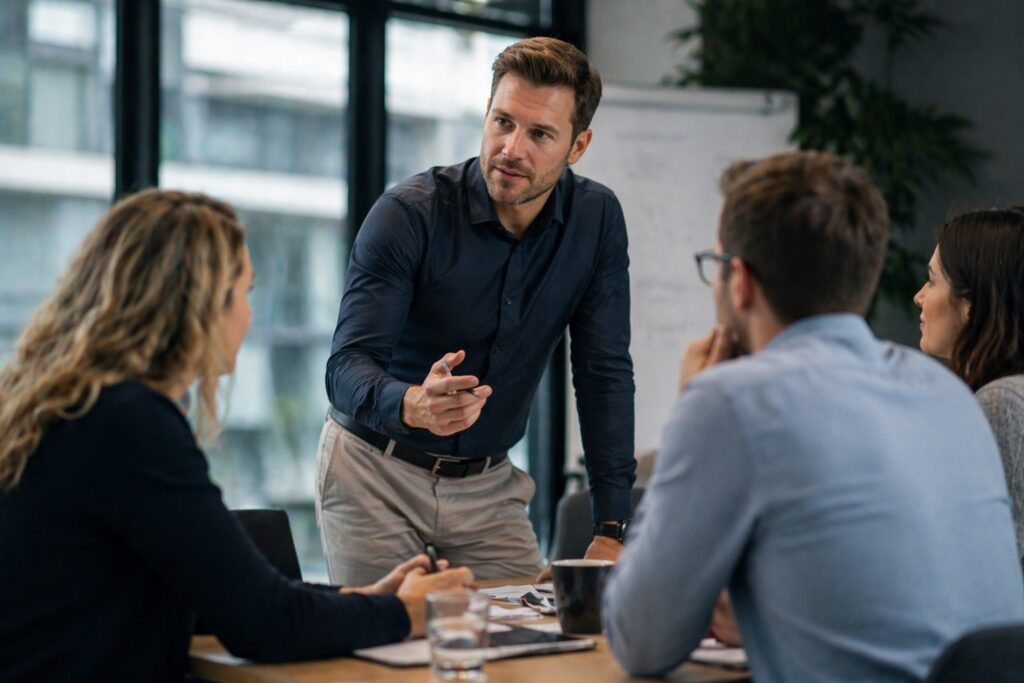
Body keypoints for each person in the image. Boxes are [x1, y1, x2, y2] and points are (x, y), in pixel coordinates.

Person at [0, 190, 473, 683]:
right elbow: (264, 623)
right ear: (201, 306)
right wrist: (412, 614)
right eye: (245, 294)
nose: (248, 317)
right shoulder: (129, 423)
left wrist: (367, 599)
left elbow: (217, 597)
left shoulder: (71, 408)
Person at [602, 151, 1024, 682]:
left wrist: (694, 401)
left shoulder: (729, 403)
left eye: (716, 264)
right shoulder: (946, 395)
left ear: (741, 283)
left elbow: (641, 640)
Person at [318, 36, 635, 586]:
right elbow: (345, 367)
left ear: (578, 146)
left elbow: (603, 373)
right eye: (503, 122)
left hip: (488, 488)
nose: (512, 149)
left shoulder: (596, 221)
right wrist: (414, 402)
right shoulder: (408, 214)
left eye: (540, 134)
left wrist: (612, 527)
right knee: (389, 657)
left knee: (534, 652)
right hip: (374, 473)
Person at [914, 208, 1024, 557]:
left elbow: (986, 557)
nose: (919, 296)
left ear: (971, 304)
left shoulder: (1002, 401)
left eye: (932, 281)